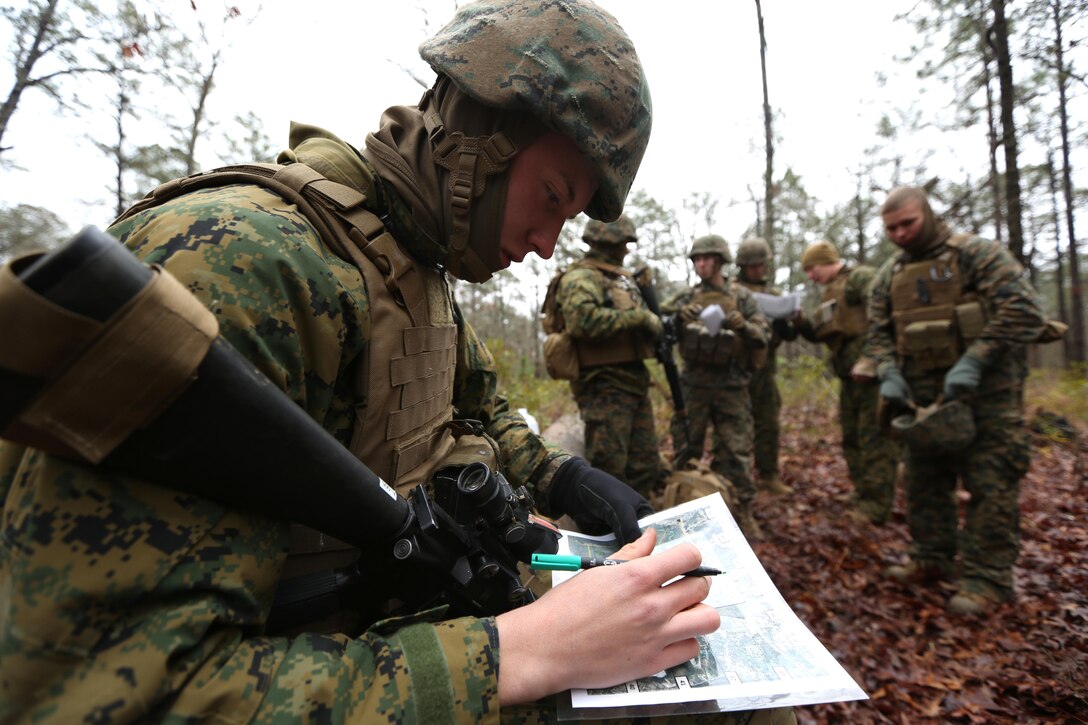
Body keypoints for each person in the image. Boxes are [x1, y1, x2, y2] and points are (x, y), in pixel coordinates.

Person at [0, 1, 796, 722]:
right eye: (553, 196)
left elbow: (474, 409)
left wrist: (562, 478)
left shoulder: (412, 267)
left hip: (414, 622)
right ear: (482, 139)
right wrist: (521, 652)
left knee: (718, 660)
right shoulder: (248, 263)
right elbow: (100, 693)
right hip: (365, 667)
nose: (548, 244)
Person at [868, 186, 1046, 616]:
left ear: (927, 215)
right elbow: (878, 334)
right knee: (924, 481)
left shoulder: (977, 254)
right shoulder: (890, 275)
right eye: (891, 228)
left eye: (907, 224)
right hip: (922, 401)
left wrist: (974, 360)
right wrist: (889, 372)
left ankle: (987, 578)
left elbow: (1024, 310)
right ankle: (931, 557)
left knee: (991, 482)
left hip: (989, 397)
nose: (900, 234)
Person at [663, 234, 771, 540]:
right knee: (686, 446)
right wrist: (676, 317)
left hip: (732, 385)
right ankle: (679, 507)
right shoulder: (686, 296)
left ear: (721, 261)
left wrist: (743, 325)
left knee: (735, 452)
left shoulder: (742, 296)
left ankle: (742, 512)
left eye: (707, 258)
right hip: (693, 385)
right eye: (696, 259)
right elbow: (658, 319)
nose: (701, 264)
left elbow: (763, 334)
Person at [554, 215, 664, 498]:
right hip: (605, 389)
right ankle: (608, 537)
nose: (626, 250)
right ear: (606, 241)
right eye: (623, 243)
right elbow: (581, 321)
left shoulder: (619, 279)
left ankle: (642, 525)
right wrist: (639, 319)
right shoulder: (582, 277)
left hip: (632, 385)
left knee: (646, 466)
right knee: (609, 472)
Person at [795, 240, 899, 525]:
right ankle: (864, 492)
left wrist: (873, 357)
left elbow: (886, 311)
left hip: (873, 377)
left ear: (827, 260)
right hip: (849, 379)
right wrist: (799, 319)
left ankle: (876, 507)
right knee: (852, 438)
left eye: (812, 268)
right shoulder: (831, 293)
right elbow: (819, 333)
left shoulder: (860, 278)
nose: (810, 276)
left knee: (875, 439)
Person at [733, 237, 795, 496]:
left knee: (768, 423)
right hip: (737, 367)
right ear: (742, 266)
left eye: (761, 265)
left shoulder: (776, 294)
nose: (758, 269)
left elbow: (790, 334)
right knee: (736, 425)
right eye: (752, 265)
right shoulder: (733, 291)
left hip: (766, 367)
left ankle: (768, 474)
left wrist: (786, 324)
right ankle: (739, 480)